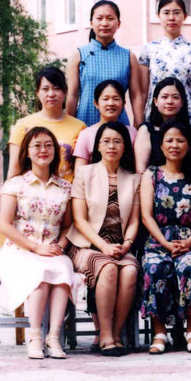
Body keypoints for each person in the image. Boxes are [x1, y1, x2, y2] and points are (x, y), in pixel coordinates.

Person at [0, 127, 77, 359]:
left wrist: (60, 246)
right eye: (37, 146)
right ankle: (34, 337)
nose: (43, 150)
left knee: (63, 269)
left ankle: (53, 337)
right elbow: (5, 225)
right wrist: (36, 248)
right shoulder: (14, 185)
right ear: (27, 152)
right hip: (20, 250)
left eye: (48, 145)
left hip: (52, 250)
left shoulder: (65, 188)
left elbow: (68, 226)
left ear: (55, 152)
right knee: (39, 272)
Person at [69, 121, 140, 357]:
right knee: (107, 267)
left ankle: (116, 334)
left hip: (120, 246)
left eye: (117, 141)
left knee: (130, 271)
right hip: (86, 245)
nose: (111, 146)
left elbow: (134, 221)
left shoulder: (134, 179)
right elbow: (79, 220)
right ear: (98, 146)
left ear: (125, 146)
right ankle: (105, 334)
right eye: (106, 141)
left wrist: (127, 244)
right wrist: (103, 246)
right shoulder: (84, 174)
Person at [138, 121, 191, 354]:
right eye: (169, 140)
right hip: (158, 240)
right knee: (154, 267)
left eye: (180, 140)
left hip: (189, 241)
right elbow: (146, 216)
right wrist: (166, 244)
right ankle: (159, 333)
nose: (174, 145)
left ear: (188, 145)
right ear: (161, 145)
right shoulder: (151, 174)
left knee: (189, 265)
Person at [65, 0, 141, 127]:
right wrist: (68, 128)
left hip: (118, 127)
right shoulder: (79, 56)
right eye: (99, 18)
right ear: (91, 23)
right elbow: (72, 95)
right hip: (84, 125)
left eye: (110, 18)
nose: (104, 23)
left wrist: (138, 126)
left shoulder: (129, 57)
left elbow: (136, 96)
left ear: (118, 23)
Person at [8, 67, 86, 184]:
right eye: (45, 89)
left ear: (65, 91)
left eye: (56, 88)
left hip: (66, 192)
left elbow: (81, 172)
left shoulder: (79, 127)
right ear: (37, 92)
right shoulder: (23, 125)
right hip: (30, 192)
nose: (51, 94)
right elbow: (14, 168)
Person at [137, 0, 191, 128]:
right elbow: (143, 92)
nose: (171, 18)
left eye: (176, 13)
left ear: (185, 16)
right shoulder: (149, 49)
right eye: (166, 13)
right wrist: (138, 123)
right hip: (155, 118)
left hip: (187, 118)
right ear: (158, 16)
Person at [73, 80, 137, 169]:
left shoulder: (132, 133)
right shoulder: (86, 134)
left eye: (116, 99)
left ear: (123, 103)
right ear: (96, 103)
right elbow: (79, 171)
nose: (111, 103)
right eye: (105, 99)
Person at [134, 77, 191, 170]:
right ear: (156, 101)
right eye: (164, 97)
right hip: (151, 179)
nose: (169, 101)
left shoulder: (190, 131)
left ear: (182, 102)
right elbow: (140, 169)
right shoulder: (146, 130)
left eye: (175, 97)